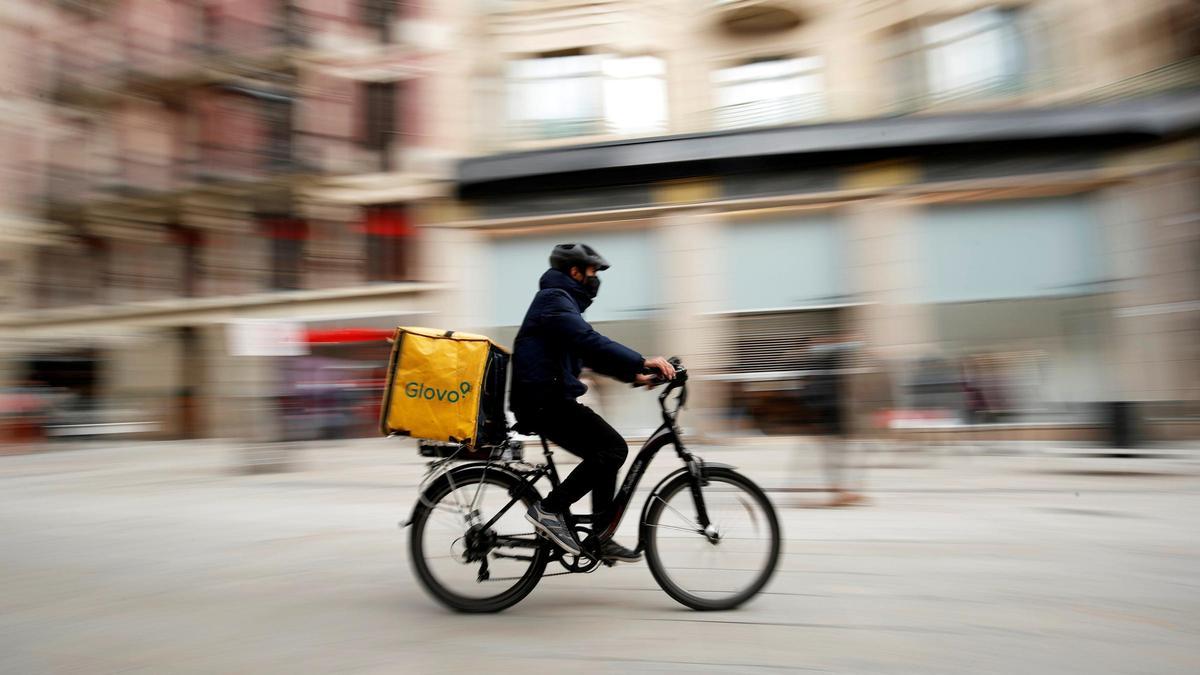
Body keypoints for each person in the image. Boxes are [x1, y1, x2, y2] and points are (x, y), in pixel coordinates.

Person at [511, 243, 675, 562]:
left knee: (606, 452)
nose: (596, 278)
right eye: (593, 271)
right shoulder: (554, 301)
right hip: (543, 401)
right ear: (575, 271)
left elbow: (585, 352)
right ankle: (549, 510)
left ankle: (601, 535)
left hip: (548, 398)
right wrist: (642, 361)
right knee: (613, 449)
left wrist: (634, 375)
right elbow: (588, 341)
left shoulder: (563, 303)